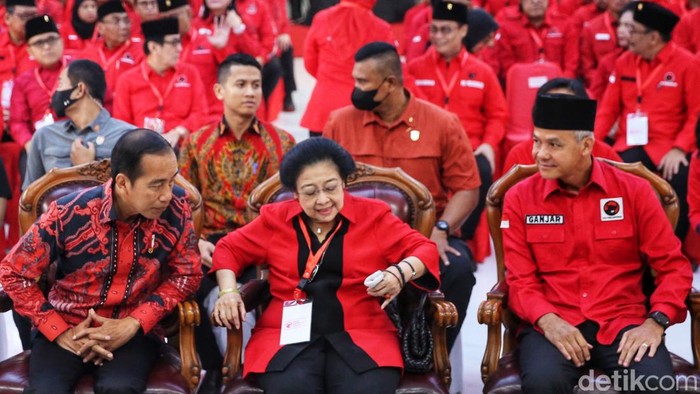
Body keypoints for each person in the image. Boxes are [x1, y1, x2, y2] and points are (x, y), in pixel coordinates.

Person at [210, 137, 441, 393]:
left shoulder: (373, 216)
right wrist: (229, 292)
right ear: (295, 193)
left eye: (331, 188)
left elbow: (424, 249)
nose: (322, 200)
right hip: (286, 336)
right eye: (310, 192)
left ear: (344, 182)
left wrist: (399, 272)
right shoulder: (276, 219)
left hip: (363, 332)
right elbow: (229, 248)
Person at [503, 93, 692, 393]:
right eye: (537, 141)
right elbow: (519, 279)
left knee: (655, 385)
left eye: (554, 144)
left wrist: (656, 321)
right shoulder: (519, 198)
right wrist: (548, 321)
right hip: (553, 321)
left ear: (586, 146)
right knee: (543, 382)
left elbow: (674, 267)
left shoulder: (633, 192)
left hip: (622, 322)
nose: (540, 153)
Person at [0, 128, 203, 393]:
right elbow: (14, 273)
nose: (167, 194)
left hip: (133, 331)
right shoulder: (69, 212)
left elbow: (187, 274)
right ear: (122, 183)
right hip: (68, 325)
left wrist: (134, 323)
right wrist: (59, 331)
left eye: (171, 180)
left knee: (120, 388)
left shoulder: (176, 208)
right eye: (156, 184)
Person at [324, 42, 481, 351]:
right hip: (354, 238)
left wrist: (443, 230)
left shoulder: (442, 123)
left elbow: (468, 188)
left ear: (391, 84)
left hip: (423, 236)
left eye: (363, 82)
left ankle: (430, 359)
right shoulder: (339, 123)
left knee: (460, 269)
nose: (355, 89)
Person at [178, 53, 295, 393]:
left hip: (267, 241)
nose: (250, 92)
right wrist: (194, 240)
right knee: (182, 285)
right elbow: (182, 203)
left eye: (256, 85)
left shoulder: (283, 142)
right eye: (241, 84)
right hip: (212, 241)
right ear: (219, 90)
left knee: (286, 290)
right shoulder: (197, 143)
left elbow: (293, 202)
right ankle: (214, 368)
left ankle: (267, 369)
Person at [594, 1, 700, 242]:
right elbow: (608, 110)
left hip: (668, 144)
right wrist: (592, 142)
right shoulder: (624, 62)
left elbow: (696, 113)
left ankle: (674, 248)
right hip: (630, 143)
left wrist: (679, 147)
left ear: (653, 38)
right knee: (608, 174)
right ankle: (618, 243)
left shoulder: (688, 64)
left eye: (634, 31)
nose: (628, 36)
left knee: (681, 178)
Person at [408, 1, 506, 242]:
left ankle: (460, 237)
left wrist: (489, 144)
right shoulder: (414, 69)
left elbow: (498, 115)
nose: (438, 36)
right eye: (434, 29)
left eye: (446, 30)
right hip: (426, 148)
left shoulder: (482, 71)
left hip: (469, 149)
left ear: (463, 31)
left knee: (482, 167)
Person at [23, 59, 134, 189]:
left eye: (60, 83)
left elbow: (132, 195)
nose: (55, 92)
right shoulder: (44, 136)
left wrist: (88, 168)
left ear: (79, 90)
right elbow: (29, 198)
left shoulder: (126, 137)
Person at [301, 0, 396, 137]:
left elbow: (309, 61)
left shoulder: (321, 18)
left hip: (324, 106)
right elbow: (391, 71)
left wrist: (328, 79)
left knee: (319, 157)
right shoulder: (381, 28)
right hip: (363, 108)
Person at [113, 17, 208, 147]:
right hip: (142, 149)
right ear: (153, 47)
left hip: (181, 145)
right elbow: (121, 124)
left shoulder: (190, 73)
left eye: (180, 42)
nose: (180, 48)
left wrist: (178, 132)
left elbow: (201, 113)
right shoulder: (128, 80)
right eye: (174, 43)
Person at [503, 78, 622, 171]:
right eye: (550, 108)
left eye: (565, 110)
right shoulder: (519, 155)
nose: (557, 116)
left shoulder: (605, 154)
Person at [9, 14, 66, 153]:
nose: (47, 46)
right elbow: (17, 122)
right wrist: (29, 144)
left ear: (62, 41)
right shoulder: (23, 81)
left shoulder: (80, 70)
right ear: (29, 50)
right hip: (39, 144)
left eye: (51, 39)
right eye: (39, 43)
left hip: (79, 140)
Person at [76, 1, 144, 104]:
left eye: (126, 21)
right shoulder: (88, 54)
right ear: (100, 28)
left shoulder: (141, 50)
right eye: (116, 21)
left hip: (127, 106)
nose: (123, 26)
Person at [495, 0, 579, 80]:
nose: (535, 1)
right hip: (522, 85)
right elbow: (508, 67)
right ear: (520, 1)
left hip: (558, 86)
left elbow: (571, 65)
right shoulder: (507, 27)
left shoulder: (565, 24)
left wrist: (562, 86)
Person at [1, 0, 38, 127]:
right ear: (7, 18)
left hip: (30, 117)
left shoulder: (43, 46)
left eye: (33, 16)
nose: (30, 22)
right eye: (24, 16)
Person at [579, 0, 630, 87]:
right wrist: (601, 81)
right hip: (602, 85)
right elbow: (587, 68)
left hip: (631, 83)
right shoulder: (591, 28)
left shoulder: (641, 29)